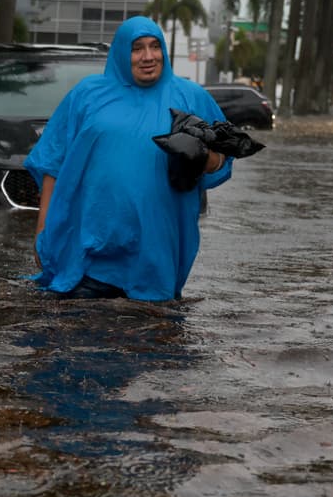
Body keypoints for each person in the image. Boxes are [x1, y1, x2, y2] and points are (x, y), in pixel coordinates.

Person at [24, 16, 231, 301]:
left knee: (151, 326)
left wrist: (203, 157)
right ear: (121, 51)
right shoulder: (87, 95)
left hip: (157, 254)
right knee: (77, 326)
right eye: (137, 48)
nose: (148, 56)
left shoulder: (190, 97)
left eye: (155, 46)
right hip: (89, 254)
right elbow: (53, 163)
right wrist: (42, 229)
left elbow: (224, 157)